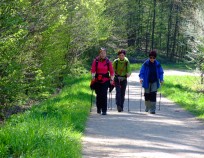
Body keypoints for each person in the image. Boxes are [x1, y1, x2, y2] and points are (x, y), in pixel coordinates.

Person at [139, 50, 164, 114]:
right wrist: (141, 78)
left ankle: (152, 109)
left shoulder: (158, 64)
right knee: (147, 95)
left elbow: (161, 72)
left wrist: (161, 79)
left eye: (153, 58)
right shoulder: (145, 64)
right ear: (149, 57)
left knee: (153, 95)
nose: (152, 59)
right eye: (151, 57)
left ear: (155, 58)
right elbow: (141, 72)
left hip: (154, 81)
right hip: (147, 81)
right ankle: (147, 107)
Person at [91, 48, 114, 115]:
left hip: (105, 80)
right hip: (97, 80)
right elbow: (93, 70)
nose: (103, 54)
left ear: (106, 54)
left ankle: (104, 110)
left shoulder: (108, 61)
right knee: (98, 95)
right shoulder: (96, 61)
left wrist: (112, 79)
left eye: (104, 53)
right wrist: (93, 78)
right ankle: (98, 108)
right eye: (101, 53)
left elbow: (112, 72)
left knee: (104, 94)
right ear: (99, 53)